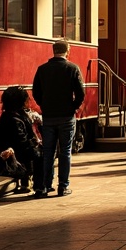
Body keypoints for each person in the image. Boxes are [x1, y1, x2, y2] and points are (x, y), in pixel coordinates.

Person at [31, 40, 85, 197]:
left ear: (53, 50)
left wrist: (44, 106)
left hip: (48, 117)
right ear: (67, 51)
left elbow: (36, 92)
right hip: (67, 116)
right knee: (65, 151)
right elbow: (80, 93)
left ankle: (45, 186)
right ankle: (63, 186)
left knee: (48, 152)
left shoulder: (42, 69)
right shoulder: (72, 68)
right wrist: (73, 106)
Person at [0, 85, 41, 192]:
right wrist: (35, 143)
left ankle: (30, 182)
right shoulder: (15, 118)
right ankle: (36, 184)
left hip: (15, 148)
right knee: (41, 154)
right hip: (17, 151)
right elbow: (21, 142)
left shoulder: (11, 115)